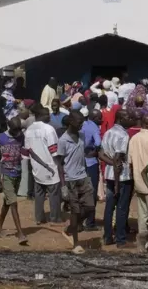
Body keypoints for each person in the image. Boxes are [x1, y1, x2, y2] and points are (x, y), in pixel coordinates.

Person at [57, 110, 96, 254]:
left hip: (83, 177)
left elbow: (81, 156)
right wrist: (63, 187)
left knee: (90, 207)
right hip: (70, 180)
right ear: (71, 122)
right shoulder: (63, 141)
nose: (82, 125)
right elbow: (60, 164)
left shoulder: (81, 136)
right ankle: (76, 243)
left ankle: (70, 227)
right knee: (75, 211)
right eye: (79, 122)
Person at [25, 105, 63, 225]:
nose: (49, 116)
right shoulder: (49, 129)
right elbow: (54, 150)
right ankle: (55, 217)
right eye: (47, 114)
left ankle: (39, 217)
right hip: (51, 166)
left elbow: (27, 150)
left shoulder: (29, 129)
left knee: (39, 193)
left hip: (36, 167)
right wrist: (60, 165)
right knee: (54, 194)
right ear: (40, 115)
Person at [101, 110, 133, 247]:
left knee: (109, 207)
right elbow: (118, 160)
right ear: (120, 118)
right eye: (127, 117)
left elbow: (101, 154)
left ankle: (107, 237)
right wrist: (117, 184)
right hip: (121, 177)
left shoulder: (108, 132)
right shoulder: (123, 135)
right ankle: (120, 240)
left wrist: (111, 164)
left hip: (109, 175)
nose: (130, 119)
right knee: (121, 208)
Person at [128, 113, 148, 239]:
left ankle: (143, 242)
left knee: (142, 214)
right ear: (147, 124)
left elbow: (130, 162)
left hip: (138, 182)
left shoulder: (134, 138)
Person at [81, 109, 102, 230]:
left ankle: (80, 220)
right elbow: (99, 143)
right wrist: (95, 152)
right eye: (99, 118)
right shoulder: (94, 127)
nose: (101, 120)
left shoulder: (81, 125)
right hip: (91, 162)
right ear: (94, 118)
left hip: (80, 162)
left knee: (82, 192)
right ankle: (90, 222)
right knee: (92, 192)